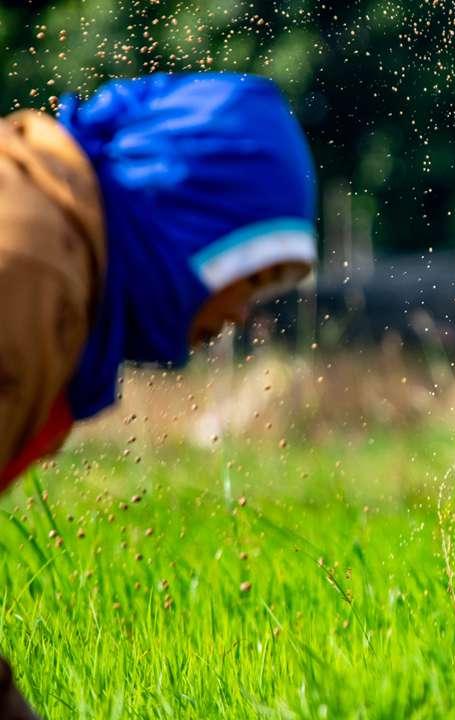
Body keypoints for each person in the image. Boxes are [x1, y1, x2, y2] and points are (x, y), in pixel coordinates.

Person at [0, 72, 318, 717]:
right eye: (247, 277)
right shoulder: (28, 277)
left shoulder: (50, 241)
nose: (239, 315)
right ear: (189, 221)